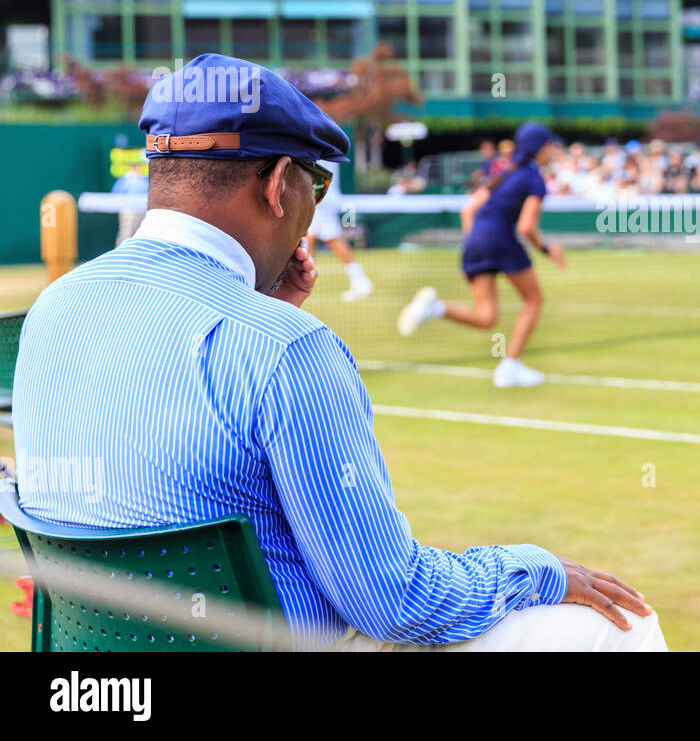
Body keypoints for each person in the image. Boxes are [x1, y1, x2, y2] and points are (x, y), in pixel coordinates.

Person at [11, 54, 663, 652]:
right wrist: (535, 567)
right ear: (275, 186)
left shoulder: (51, 313)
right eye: (314, 188)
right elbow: (393, 602)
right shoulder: (285, 351)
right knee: (621, 628)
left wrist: (268, 312)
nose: (309, 216)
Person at [398, 122, 568, 389]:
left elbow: (468, 211)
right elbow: (525, 226)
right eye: (550, 145)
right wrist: (548, 250)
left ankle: (436, 308)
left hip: (477, 240)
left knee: (487, 317)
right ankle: (510, 366)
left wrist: (473, 246)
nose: (553, 150)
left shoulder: (504, 173)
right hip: (500, 239)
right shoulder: (534, 178)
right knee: (534, 300)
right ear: (541, 147)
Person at [307, 158, 373, 302]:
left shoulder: (320, 147)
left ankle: (360, 280)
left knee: (327, 240)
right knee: (311, 239)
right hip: (320, 197)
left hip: (321, 199)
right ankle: (359, 280)